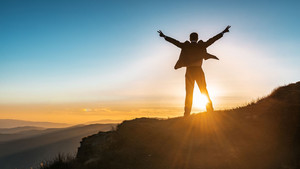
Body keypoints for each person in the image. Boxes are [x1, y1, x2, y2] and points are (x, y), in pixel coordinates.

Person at [158, 26, 230, 116]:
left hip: (189, 72)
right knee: (204, 90)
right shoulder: (201, 45)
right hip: (199, 70)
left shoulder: (185, 45)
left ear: (189, 38)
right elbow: (212, 40)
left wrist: (164, 36)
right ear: (197, 38)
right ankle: (210, 110)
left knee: (189, 93)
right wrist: (223, 32)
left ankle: (187, 113)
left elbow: (175, 42)